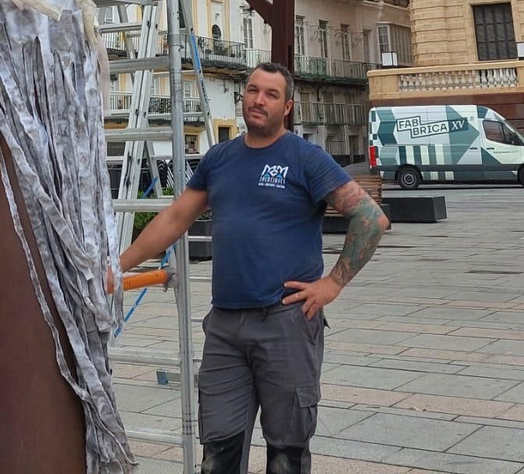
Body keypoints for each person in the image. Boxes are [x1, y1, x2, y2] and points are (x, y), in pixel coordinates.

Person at [113, 63, 388, 473]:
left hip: (285, 322)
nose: (258, 100)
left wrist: (332, 284)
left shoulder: (305, 157)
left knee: (286, 454)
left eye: (271, 94)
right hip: (225, 326)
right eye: (253, 90)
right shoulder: (219, 159)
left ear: (287, 106)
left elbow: (371, 217)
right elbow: (175, 219)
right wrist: (117, 267)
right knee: (218, 452)